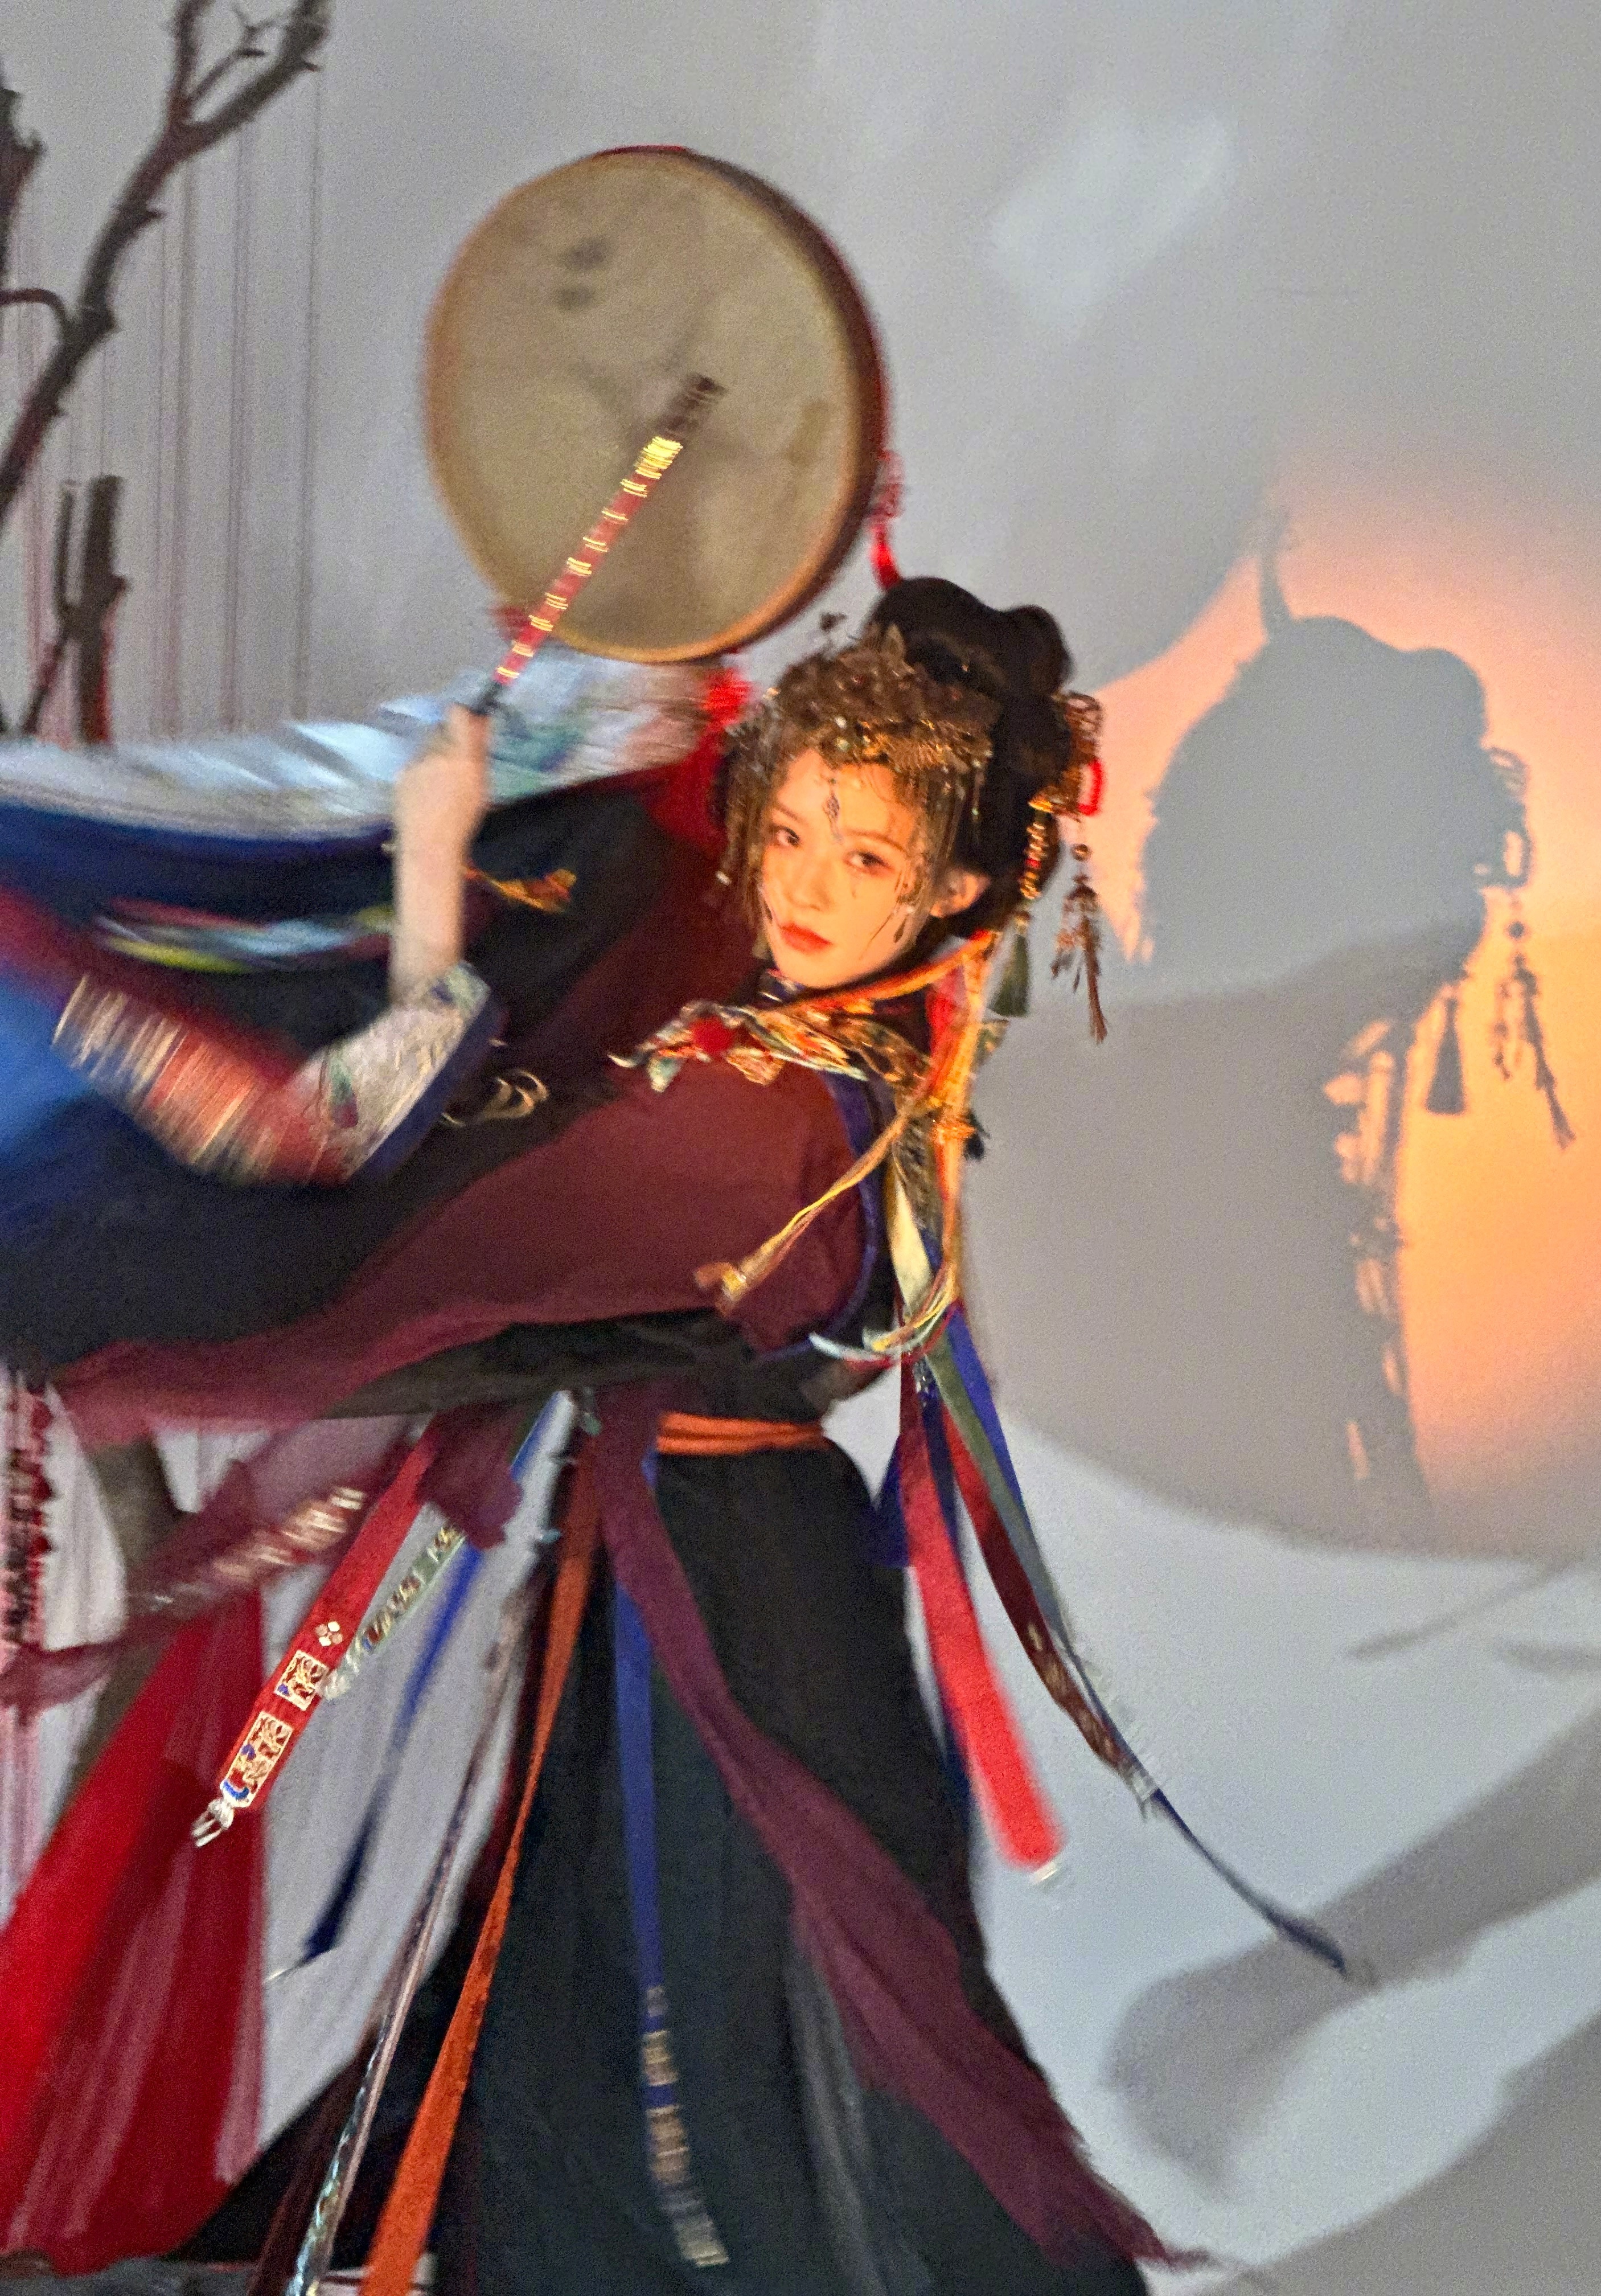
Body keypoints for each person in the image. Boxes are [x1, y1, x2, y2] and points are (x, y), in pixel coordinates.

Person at [1, 581, 1205, 2293]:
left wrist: (432, 886)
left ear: (951, 890)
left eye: (864, 856)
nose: (802, 883)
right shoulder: (806, 1064)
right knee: (636, 1999)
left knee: (780, 2026)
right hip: (686, 1567)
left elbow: (426, 1198)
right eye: (790, 830)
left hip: (732, 1602)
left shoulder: (773, 1116)